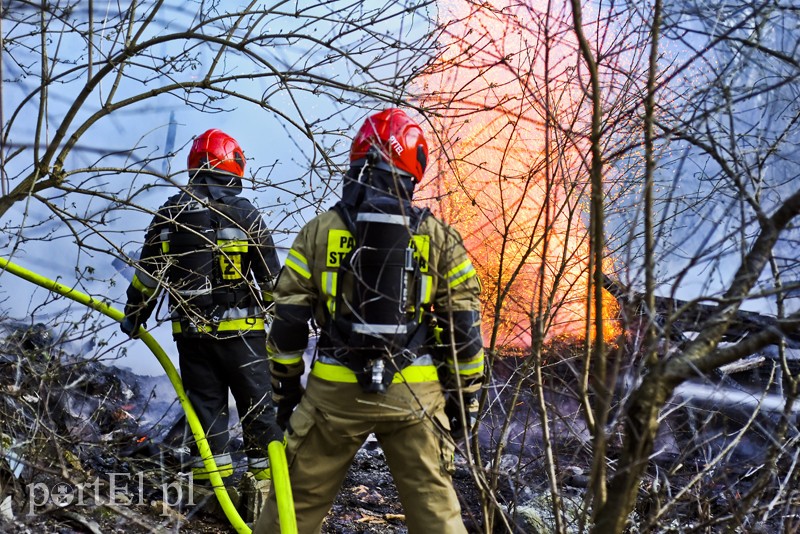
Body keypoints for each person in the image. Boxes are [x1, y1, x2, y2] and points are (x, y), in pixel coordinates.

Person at [254, 108, 485, 533]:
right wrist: (464, 403)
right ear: (415, 166)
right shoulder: (439, 237)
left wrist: (287, 395)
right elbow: (465, 330)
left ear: (357, 157)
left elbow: (287, 323)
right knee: (437, 511)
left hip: (334, 394)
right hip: (415, 398)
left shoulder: (317, 232)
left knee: (294, 504)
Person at [120, 128, 284, 485]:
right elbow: (272, 281)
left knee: (206, 411)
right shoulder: (247, 215)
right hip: (244, 337)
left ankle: (210, 487)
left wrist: (134, 316)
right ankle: (265, 488)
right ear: (234, 166)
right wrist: (284, 324)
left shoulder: (170, 213)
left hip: (192, 335)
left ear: (195, 166)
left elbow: (147, 276)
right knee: (258, 410)